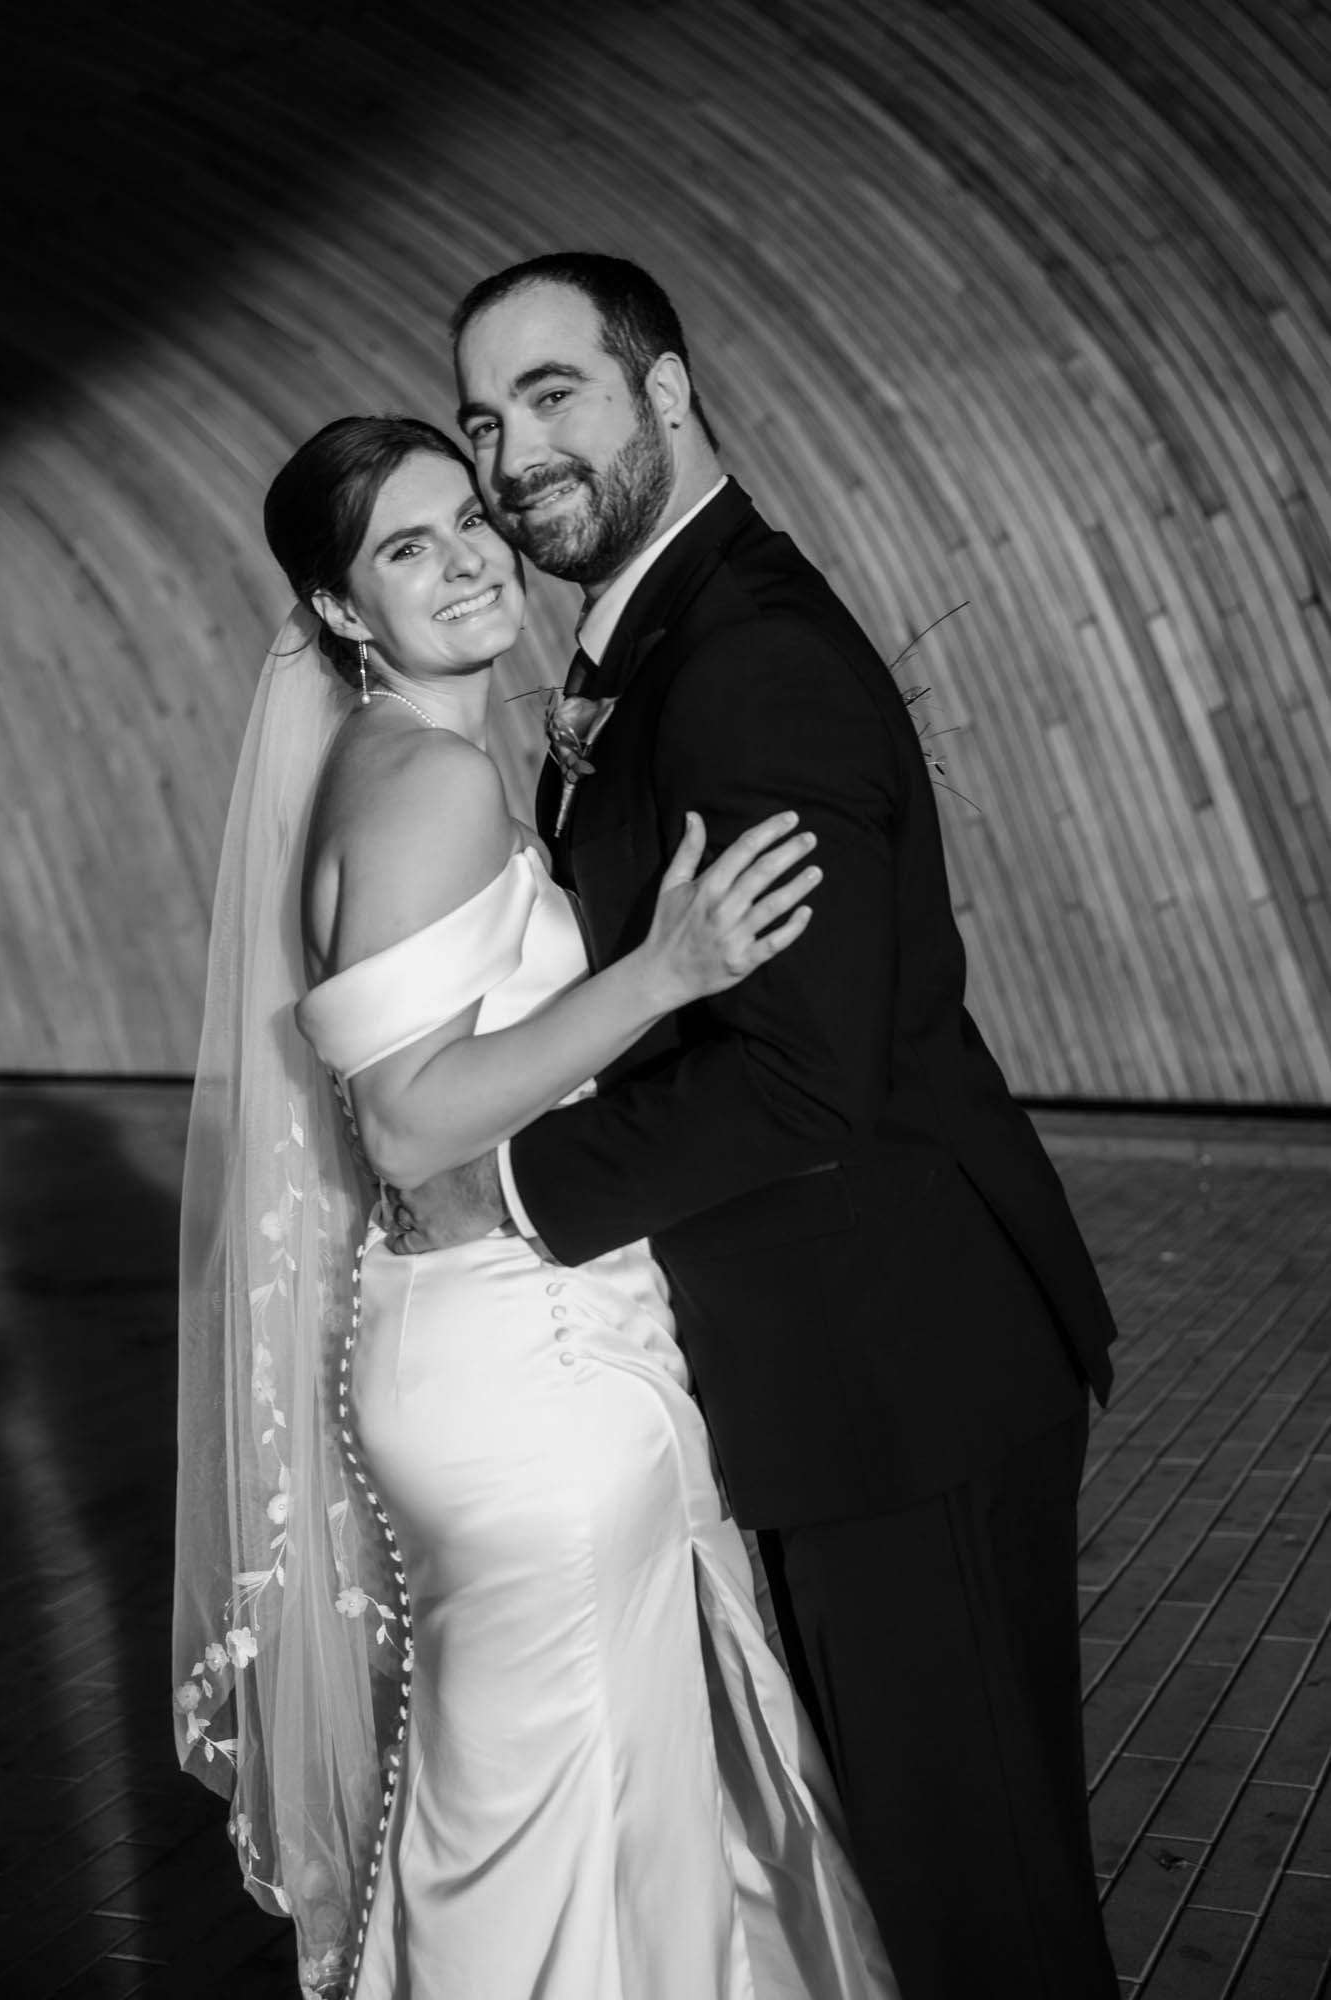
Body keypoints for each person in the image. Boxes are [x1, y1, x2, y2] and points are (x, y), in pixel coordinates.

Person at [388, 252, 1123, 1998]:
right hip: (824, 1367)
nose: (511, 456)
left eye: (553, 395)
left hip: (898, 1375)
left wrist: (499, 1185)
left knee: (979, 1907)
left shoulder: (750, 662)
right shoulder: (657, 634)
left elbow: (805, 1071)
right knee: (921, 1874)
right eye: (486, 421)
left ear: (664, 389)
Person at [173, 414, 898, 1999]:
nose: (465, 560)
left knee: (599, 1820)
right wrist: (666, 970)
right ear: (347, 614)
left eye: (468, 522)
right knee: (550, 1854)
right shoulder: (423, 783)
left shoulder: (410, 763)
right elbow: (411, 1116)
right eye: (406, 550)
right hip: (527, 1369)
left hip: (494, 1340)